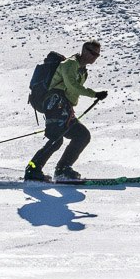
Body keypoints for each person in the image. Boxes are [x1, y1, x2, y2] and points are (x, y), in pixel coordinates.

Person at [27, 40, 108, 183]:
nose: (94, 56)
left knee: (82, 135)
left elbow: (72, 92)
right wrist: (94, 94)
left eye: (97, 54)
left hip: (64, 107)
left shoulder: (83, 72)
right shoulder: (69, 64)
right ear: (84, 50)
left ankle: (63, 169)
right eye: (92, 52)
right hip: (55, 102)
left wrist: (71, 106)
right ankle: (32, 169)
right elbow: (72, 86)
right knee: (56, 138)